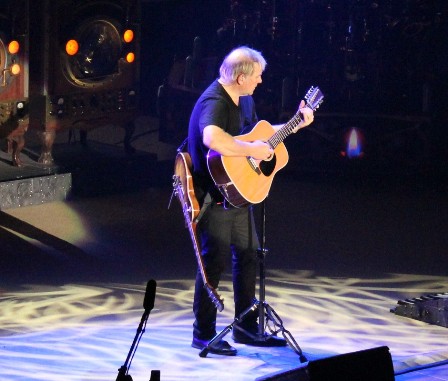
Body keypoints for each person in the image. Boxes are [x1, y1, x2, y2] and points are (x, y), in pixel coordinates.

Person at [187, 46, 314, 356]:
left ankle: (246, 328)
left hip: (238, 192)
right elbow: (212, 139)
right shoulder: (214, 101)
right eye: (257, 76)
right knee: (212, 263)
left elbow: (257, 137)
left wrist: (296, 123)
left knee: (249, 256)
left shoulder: (245, 100)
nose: (260, 81)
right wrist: (251, 150)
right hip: (213, 196)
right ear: (241, 77)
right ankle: (203, 334)